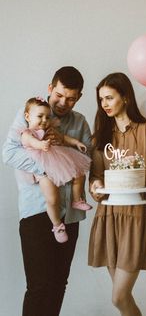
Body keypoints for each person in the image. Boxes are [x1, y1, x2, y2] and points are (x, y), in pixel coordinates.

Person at [2, 66, 92, 316]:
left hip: (70, 216)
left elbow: (87, 158)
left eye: (71, 98)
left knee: (58, 284)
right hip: (36, 212)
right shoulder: (30, 113)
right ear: (50, 88)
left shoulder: (80, 122)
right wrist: (48, 169)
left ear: (79, 97)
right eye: (60, 95)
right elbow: (9, 152)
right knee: (38, 286)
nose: (64, 103)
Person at [88, 72, 146, 316]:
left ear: (125, 97)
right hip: (109, 218)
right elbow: (96, 178)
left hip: (137, 218)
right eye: (101, 99)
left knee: (119, 296)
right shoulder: (100, 138)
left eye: (109, 98)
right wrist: (94, 186)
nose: (104, 104)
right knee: (122, 298)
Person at [21, 96, 92, 243]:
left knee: (79, 173)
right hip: (42, 168)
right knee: (52, 199)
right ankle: (57, 225)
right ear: (27, 116)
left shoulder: (49, 127)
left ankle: (77, 199)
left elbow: (64, 138)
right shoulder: (27, 133)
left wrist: (77, 142)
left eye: (47, 117)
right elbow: (31, 142)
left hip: (57, 159)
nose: (44, 120)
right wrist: (41, 145)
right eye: (40, 116)